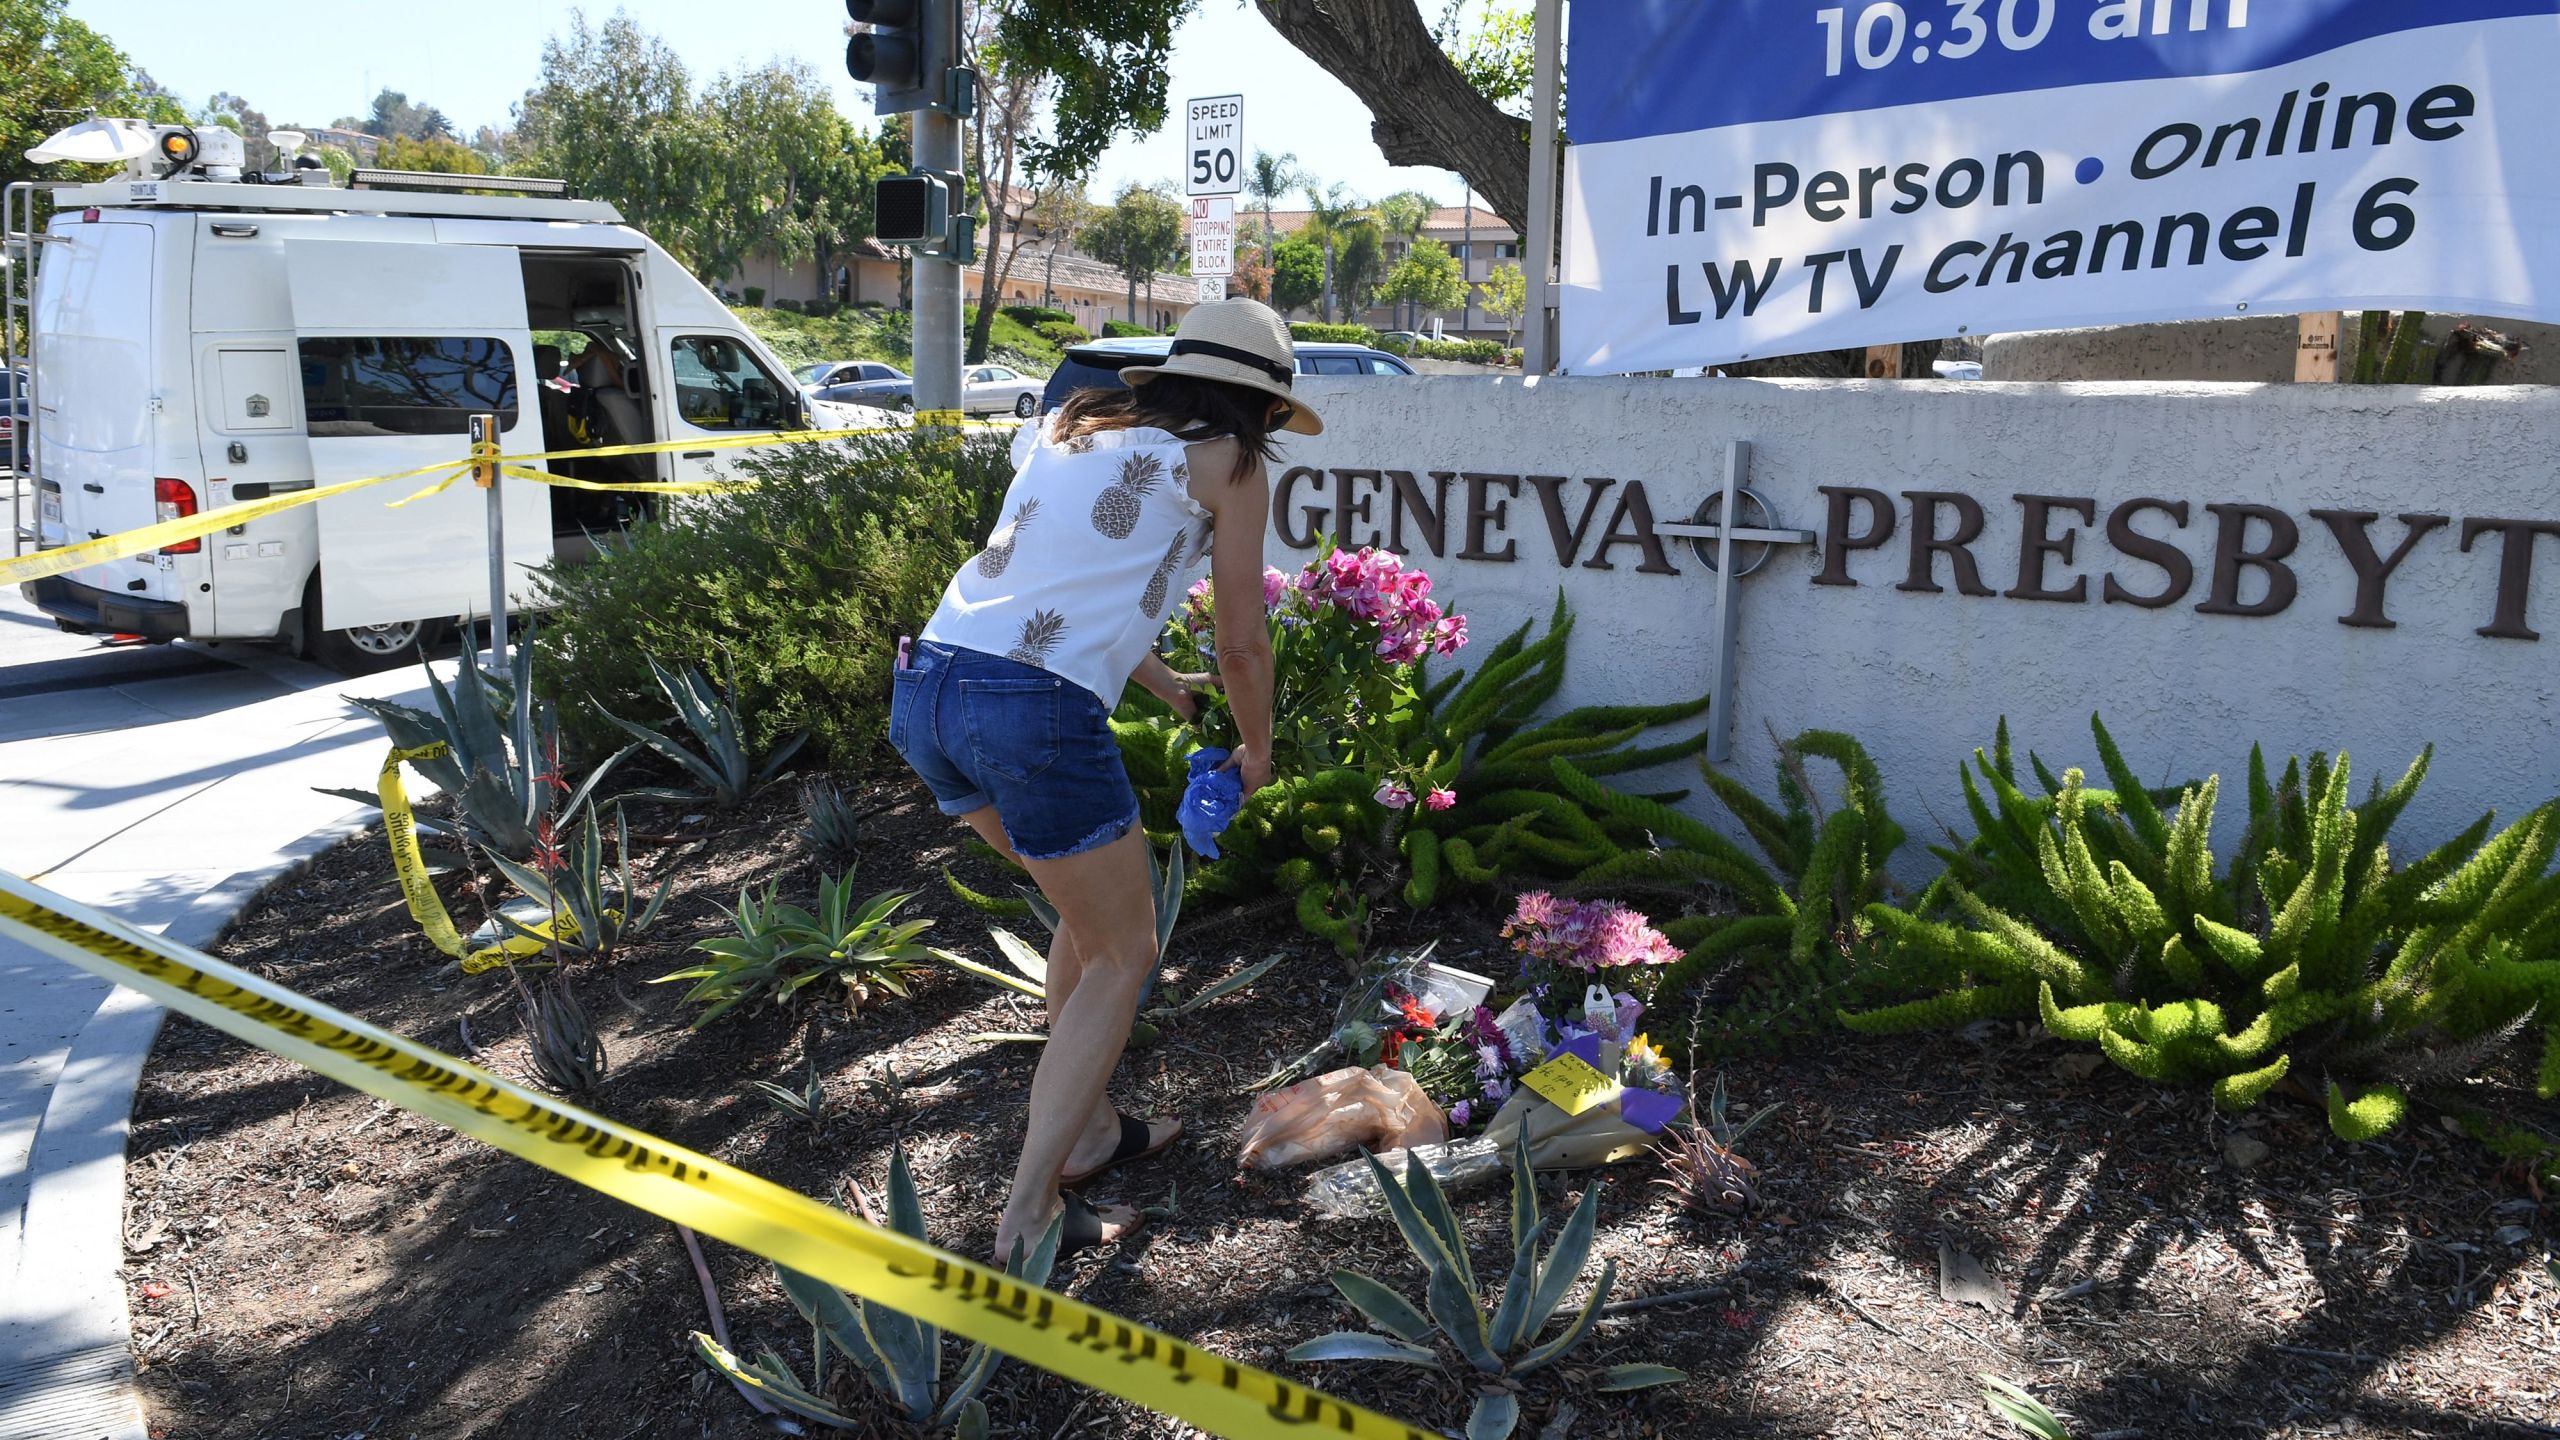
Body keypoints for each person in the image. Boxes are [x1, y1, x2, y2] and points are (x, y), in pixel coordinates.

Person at [890, 299, 1320, 1260]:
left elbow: (1053, 575)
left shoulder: (1070, 424)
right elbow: (1244, 639)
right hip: (1028, 712)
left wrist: (1161, 679)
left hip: (928, 687)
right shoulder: (1233, 465)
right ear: (1257, 406)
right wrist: (1257, 750)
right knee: (1126, 953)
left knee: (1086, 924)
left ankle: (1088, 1131)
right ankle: (1030, 1210)